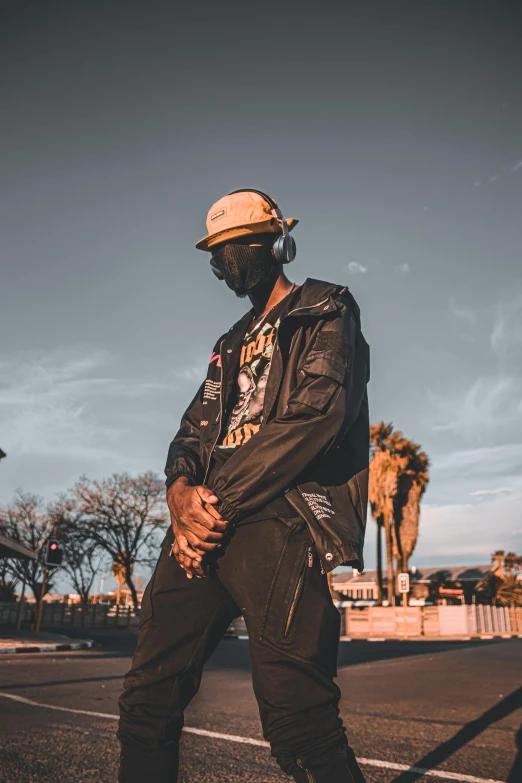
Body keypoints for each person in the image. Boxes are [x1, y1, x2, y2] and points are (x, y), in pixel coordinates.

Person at [118, 189, 371, 783]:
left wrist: (212, 508)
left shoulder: (325, 308)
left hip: (276, 517)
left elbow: (316, 416)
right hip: (202, 524)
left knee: (299, 720)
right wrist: (180, 497)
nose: (222, 262)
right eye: (215, 252)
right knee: (146, 701)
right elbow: (190, 432)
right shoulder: (228, 345)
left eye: (233, 248)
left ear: (276, 243)